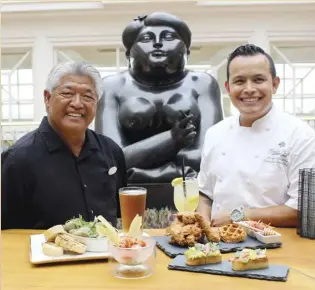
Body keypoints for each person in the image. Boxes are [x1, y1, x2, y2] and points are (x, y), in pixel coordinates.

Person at [95, 12, 223, 184]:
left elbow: (208, 154)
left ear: (187, 50)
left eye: (169, 37)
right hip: (129, 193)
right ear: (128, 53)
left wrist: (142, 166)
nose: (157, 43)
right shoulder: (112, 86)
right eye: (146, 38)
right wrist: (172, 139)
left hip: (191, 192)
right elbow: (111, 159)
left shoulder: (202, 83)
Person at [197, 44, 315, 227]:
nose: (249, 89)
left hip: (277, 245)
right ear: (228, 87)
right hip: (218, 245)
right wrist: (203, 225)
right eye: (239, 81)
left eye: (258, 80)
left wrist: (240, 216)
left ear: (275, 84)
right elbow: (205, 194)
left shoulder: (301, 135)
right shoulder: (215, 133)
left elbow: (303, 210)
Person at [1, 61, 127, 229]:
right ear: (47, 98)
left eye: (88, 96)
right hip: (44, 253)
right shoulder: (18, 160)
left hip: (106, 254)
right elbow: (5, 231)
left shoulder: (111, 152)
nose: (77, 103)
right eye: (68, 93)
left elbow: (119, 213)